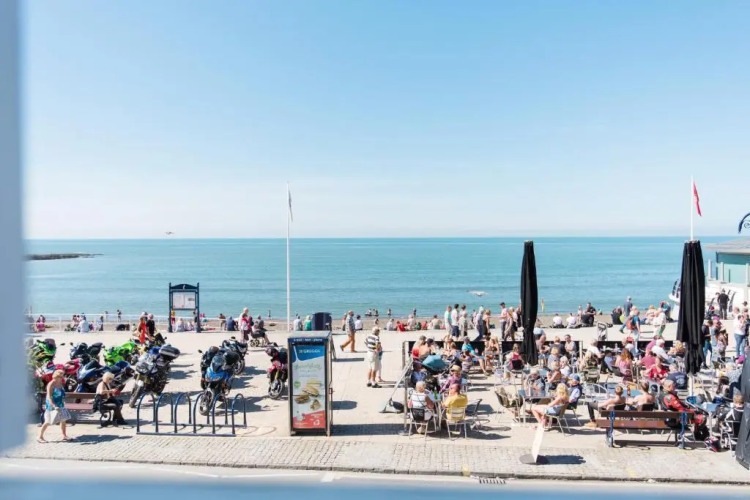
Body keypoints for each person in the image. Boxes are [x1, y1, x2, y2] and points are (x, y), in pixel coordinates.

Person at [38, 370, 72, 442]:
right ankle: (40, 437)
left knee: (63, 420)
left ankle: (64, 435)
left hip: (60, 404)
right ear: (56, 376)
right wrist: (54, 406)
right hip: (52, 406)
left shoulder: (60, 383)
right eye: (60, 376)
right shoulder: (51, 384)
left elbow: (61, 393)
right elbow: (49, 397)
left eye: (62, 376)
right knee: (48, 422)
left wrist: (65, 396)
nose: (62, 378)